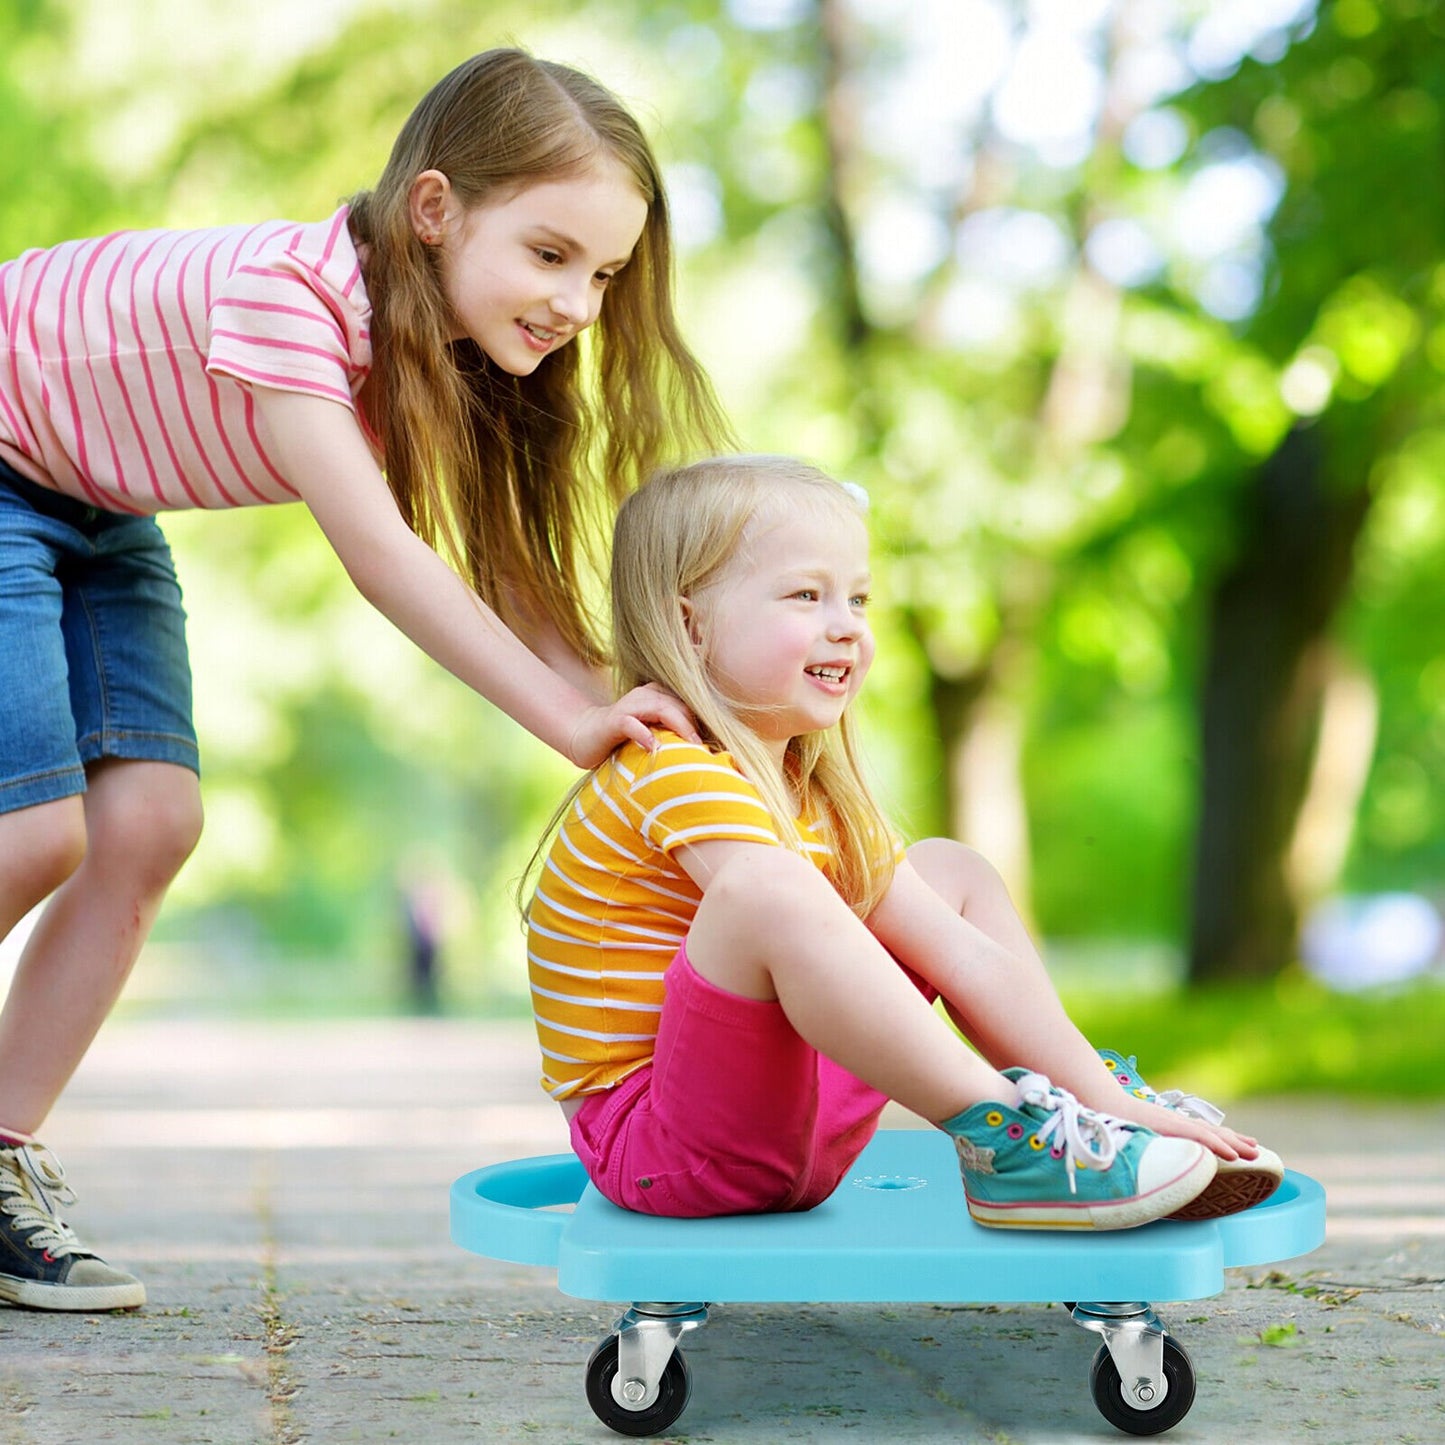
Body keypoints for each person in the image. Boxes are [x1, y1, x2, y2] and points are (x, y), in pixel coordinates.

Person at [0, 47, 732, 1312]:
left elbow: (493, 566)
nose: (579, 303)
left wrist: (633, 702)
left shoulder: (439, 352)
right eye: (550, 254)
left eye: (605, 274)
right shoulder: (293, 295)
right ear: (435, 209)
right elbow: (381, 557)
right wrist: (570, 722)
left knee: (152, 822)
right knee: (35, 831)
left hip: (100, 502)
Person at [524, 455, 1284, 1231]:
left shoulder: (815, 796)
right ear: (689, 623)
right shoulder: (667, 764)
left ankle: (1080, 1117)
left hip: (788, 1130)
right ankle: (1010, 1139)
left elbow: (959, 954)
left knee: (947, 872)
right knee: (770, 888)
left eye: (857, 598)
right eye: (805, 595)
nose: (847, 624)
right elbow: (772, 914)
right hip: (664, 1153)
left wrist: (1105, 1097)